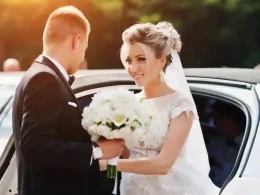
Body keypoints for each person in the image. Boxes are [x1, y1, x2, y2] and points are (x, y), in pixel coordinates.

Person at [12, 6, 124, 195]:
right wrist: (96, 150)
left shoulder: (41, 74)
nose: (82, 58)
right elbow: (34, 146)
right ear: (76, 40)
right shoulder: (44, 79)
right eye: (85, 49)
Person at [115, 22, 220, 194]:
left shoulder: (180, 104)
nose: (132, 68)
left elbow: (163, 164)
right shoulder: (128, 103)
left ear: (162, 60)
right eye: (128, 60)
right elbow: (126, 156)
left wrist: (110, 164)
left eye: (141, 59)